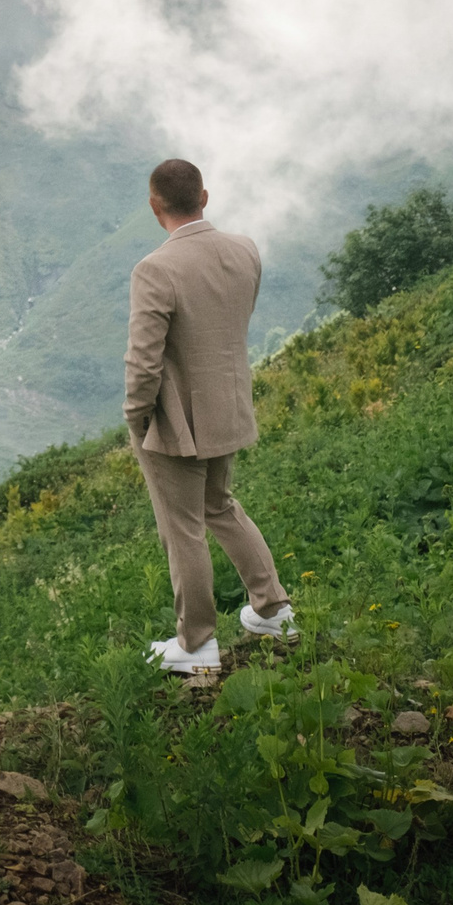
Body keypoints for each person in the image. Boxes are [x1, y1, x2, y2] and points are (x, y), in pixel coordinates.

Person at [124, 158, 293, 673]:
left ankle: (196, 645)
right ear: (204, 196)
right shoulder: (245, 250)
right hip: (231, 407)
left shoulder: (155, 269)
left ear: (156, 207)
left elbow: (144, 359)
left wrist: (137, 416)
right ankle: (273, 610)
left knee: (183, 527)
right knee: (219, 506)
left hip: (175, 422)